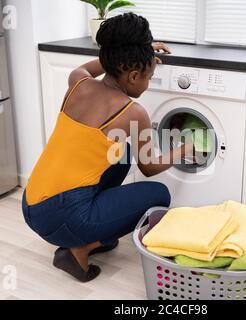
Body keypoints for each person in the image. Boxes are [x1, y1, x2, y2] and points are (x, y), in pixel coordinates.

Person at [21, 13, 193, 282]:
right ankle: (80, 248)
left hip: (31, 203)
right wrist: (184, 148)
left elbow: (100, 64)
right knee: (159, 195)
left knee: (121, 154)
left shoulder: (78, 80)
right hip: (64, 217)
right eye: (148, 76)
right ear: (133, 74)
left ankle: (91, 230)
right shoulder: (132, 112)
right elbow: (148, 167)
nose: (147, 84)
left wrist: (136, 53)